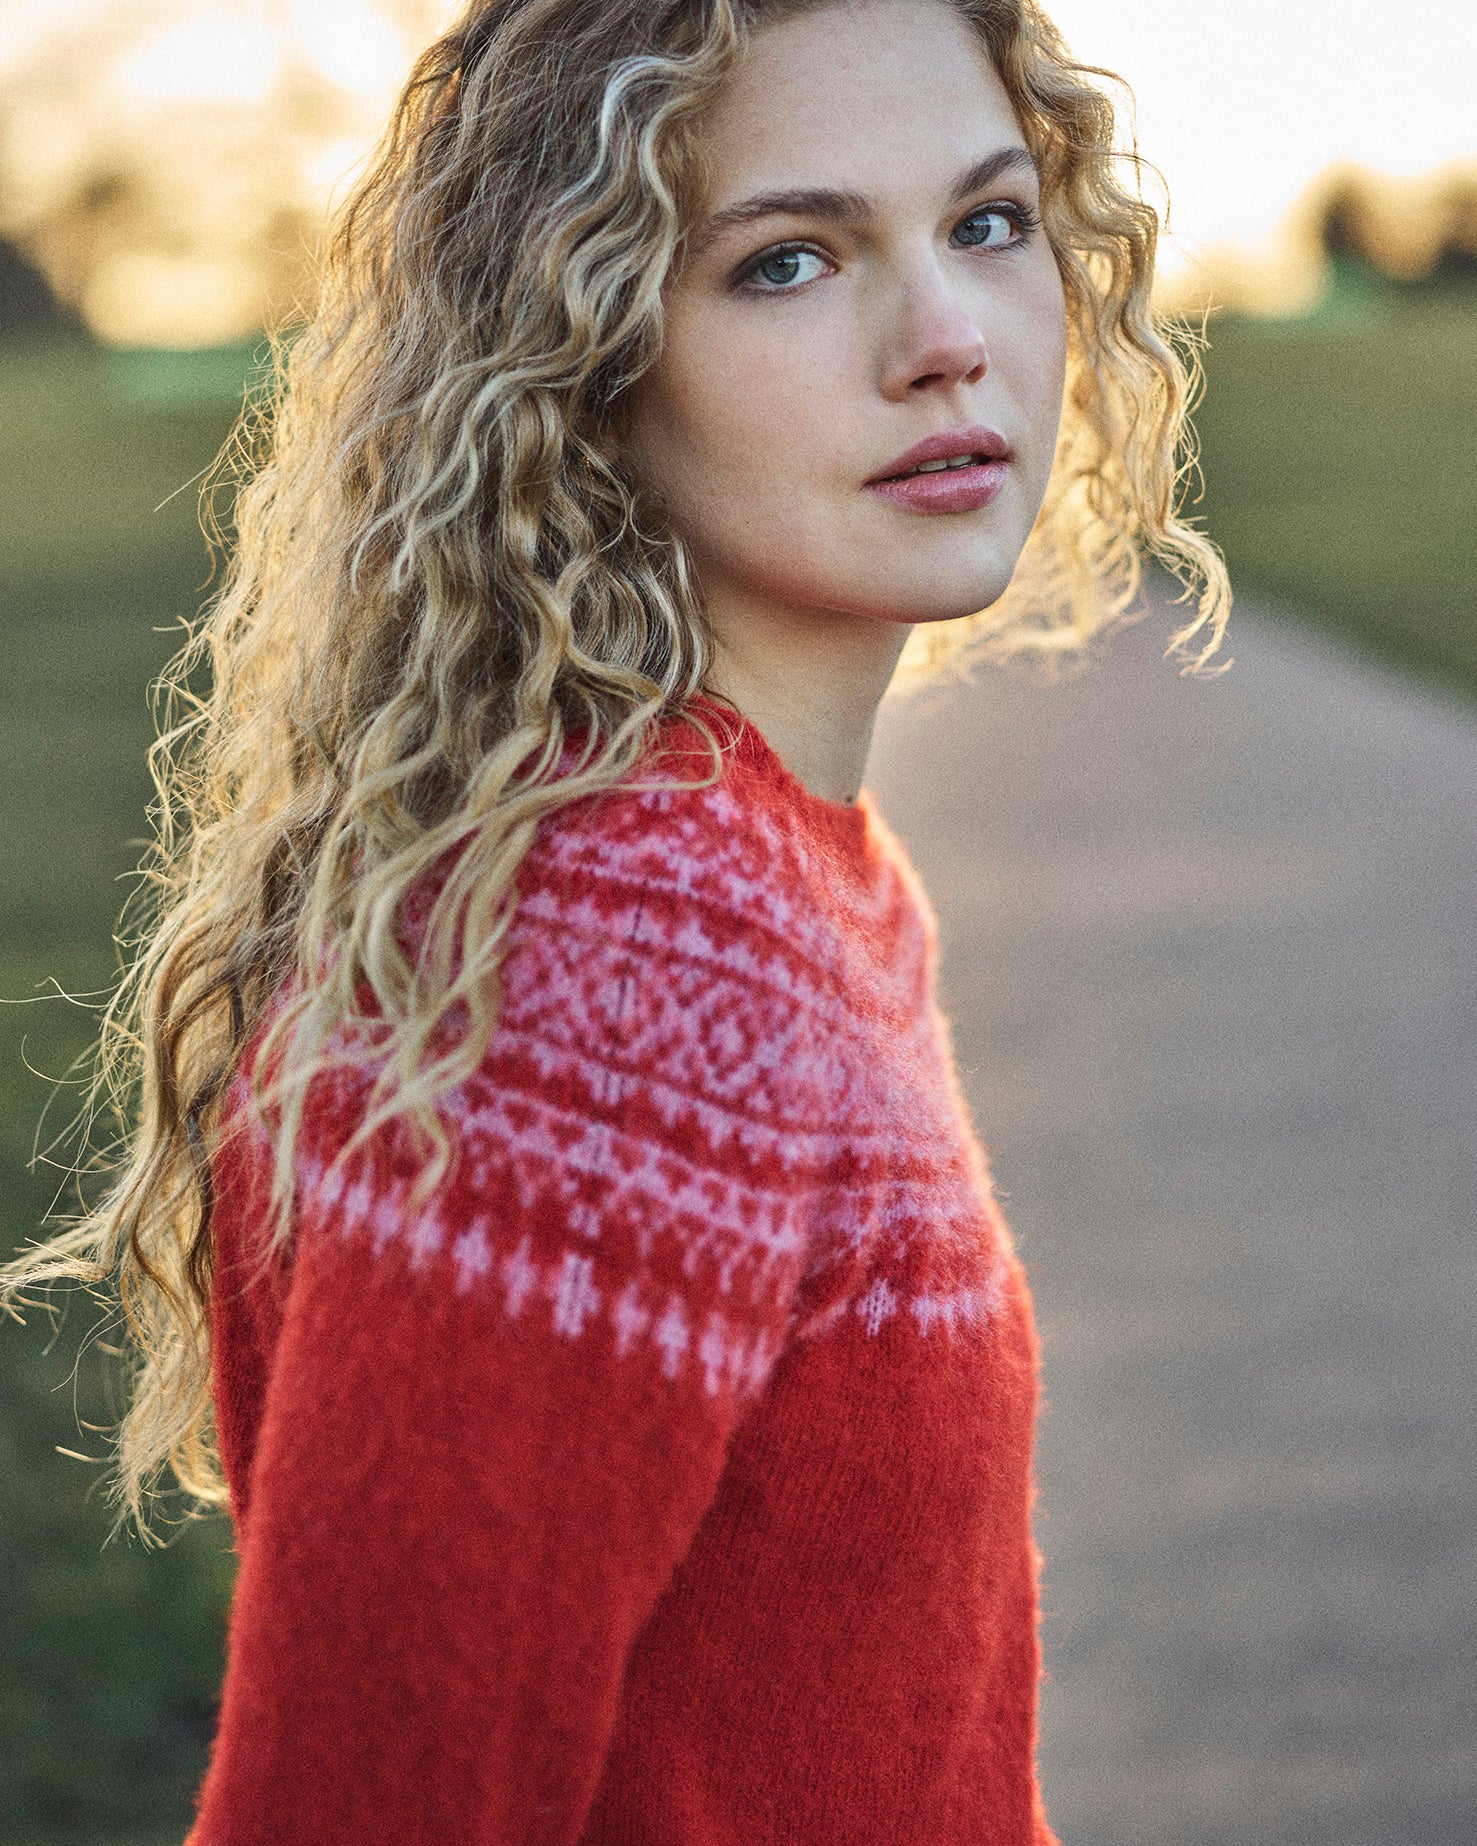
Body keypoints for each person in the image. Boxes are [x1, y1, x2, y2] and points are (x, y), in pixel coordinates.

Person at [1, 0, 1229, 1839]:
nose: (944, 342)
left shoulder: (763, 862)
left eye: (985, 222)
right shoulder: (629, 949)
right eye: (788, 262)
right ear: (573, 357)